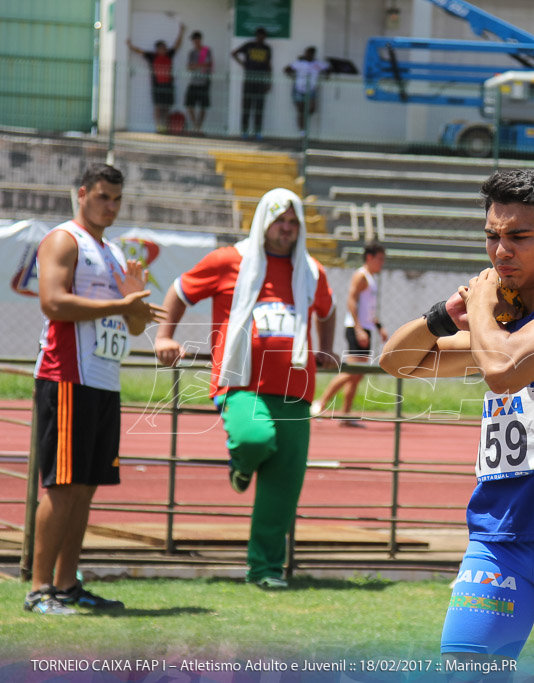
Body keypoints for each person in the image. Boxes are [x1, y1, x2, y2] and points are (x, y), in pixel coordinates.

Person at [379, 169, 534, 679]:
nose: (501, 252)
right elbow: (396, 361)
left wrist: (479, 305)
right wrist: (442, 317)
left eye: (519, 236)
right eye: (493, 237)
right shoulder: (500, 322)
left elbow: (504, 371)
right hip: (498, 539)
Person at [154, 188, 337, 589]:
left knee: (283, 486)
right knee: (253, 439)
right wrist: (164, 337)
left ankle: (265, 569)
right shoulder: (228, 261)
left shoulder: (310, 270)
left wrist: (325, 348)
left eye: (293, 222)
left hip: (295, 388)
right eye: (279, 221)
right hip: (240, 383)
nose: (286, 229)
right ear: (262, 221)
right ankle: (241, 465)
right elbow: (179, 292)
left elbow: (328, 309)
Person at [26, 164, 167, 614]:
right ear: (82, 194)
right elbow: (53, 302)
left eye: (117, 199)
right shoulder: (63, 239)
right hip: (66, 376)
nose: (110, 206)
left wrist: (138, 306)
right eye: (103, 196)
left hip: (104, 380)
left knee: (86, 487)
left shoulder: (112, 253)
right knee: (63, 486)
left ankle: (68, 585)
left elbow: (130, 321)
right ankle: (38, 589)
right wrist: (118, 303)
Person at [311, 242, 387, 424]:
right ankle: (320, 403)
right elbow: (351, 301)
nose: (382, 263)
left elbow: (368, 309)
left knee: (358, 374)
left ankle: (345, 415)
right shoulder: (360, 276)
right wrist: (359, 329)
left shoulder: (371, 278)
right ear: (369, 257)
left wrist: (379, 327)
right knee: (351, 371)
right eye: (380, 259)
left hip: (365, 329)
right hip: (356, 329)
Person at [127, 23, 186, 133]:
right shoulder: (152, 57)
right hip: (157, 85)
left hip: (168, 85)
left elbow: (176, 45)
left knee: (167, 106)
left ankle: (166, 127)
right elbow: (140, 51)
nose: (163, 49)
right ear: (157, 49)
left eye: (164, 47)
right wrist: (130, 45)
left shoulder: (169, 55)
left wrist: (181, 31)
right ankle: (159, 127)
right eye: (161, 48)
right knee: (158, 106)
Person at [232, 27, 272, 140]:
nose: (261, 38)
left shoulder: (267, 48)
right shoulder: (249, 45)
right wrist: (243, 64)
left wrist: (269, 81)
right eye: (259, 36)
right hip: (249, 80)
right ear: (256, 36)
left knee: (259, 107)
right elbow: (234, 53)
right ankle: (244, 131)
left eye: (263, 36)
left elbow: (269, 65)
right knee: (246, 106)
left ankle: (257, 131)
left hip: (261, 80)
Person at [284, 46, 331, 136]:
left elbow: (328, 68)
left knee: (312, 108)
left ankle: (305, 119)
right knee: (300, 110)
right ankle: (302, 131)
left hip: (311, 89)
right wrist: (293, 77)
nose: (308, 55)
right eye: (307, 53)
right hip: (299, 89)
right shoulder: (299, 63)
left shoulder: (317, 64)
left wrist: (326, 76)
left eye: (310, 54)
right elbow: (287, 69)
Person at [185, 31, 213, 134]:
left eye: (197, 39)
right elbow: (189, 67)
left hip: (204, 82)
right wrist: (200, 65)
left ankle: (199, 127)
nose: (195, 41)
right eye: (194, 39)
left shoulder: (206, 51)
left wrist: (196, 65)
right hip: (193, 82)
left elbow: (208, 64)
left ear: (200, 39)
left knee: (203, 106)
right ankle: (195, 125)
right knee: (189, 105)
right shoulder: (192, 53)